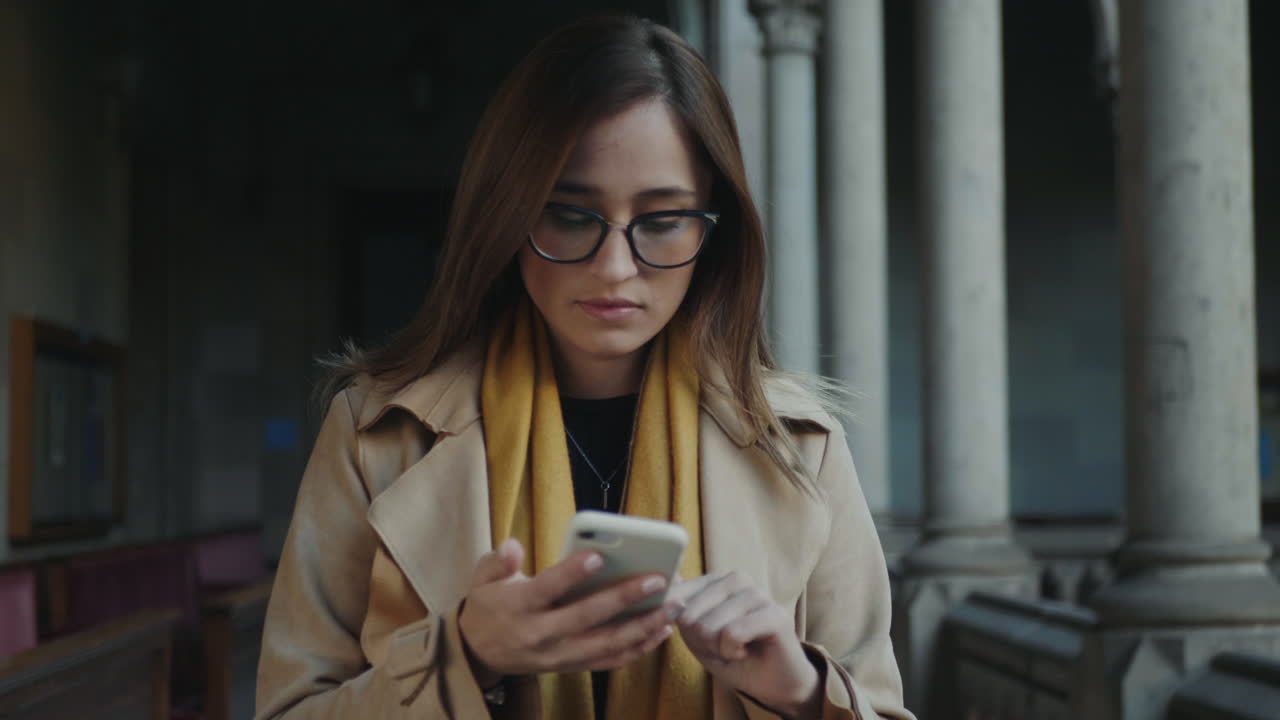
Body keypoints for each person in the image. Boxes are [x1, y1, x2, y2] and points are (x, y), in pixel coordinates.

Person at [255, 14, 912, 720]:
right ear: (508, 217)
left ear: (712, 232)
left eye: (661, 221)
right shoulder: (375, 435)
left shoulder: (801, 446)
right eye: (571, 216)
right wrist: (465, 657)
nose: (615, 268)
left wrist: (800, 690)